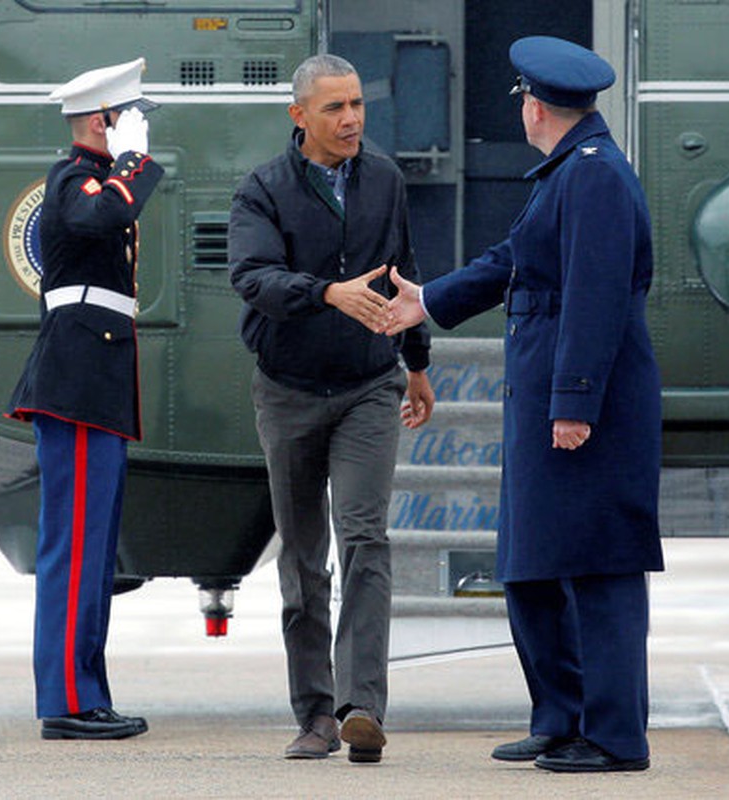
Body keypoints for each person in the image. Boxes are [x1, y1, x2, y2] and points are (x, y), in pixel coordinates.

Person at [386, 36, 661, 773]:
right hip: (544, 397)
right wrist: (429, 302)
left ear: (534, 106)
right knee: (533, 563)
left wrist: (573, 403)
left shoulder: (595, 177)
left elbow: (596, 299)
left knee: (598, 565)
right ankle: (560, 716)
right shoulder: (567, 172)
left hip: (580, 406)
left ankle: (612, 735)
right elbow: (513, 259)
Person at [228, 53, 434, 764]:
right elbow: (251, 277)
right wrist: (326, 292)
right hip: (286, 390)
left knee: (365, 540)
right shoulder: (263, 190)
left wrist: (417, 364)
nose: (350, 120)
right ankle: (314, 713)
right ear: (299, 116)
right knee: (303, 561)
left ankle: (362, 709)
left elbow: (406, 270)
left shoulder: (383, 178)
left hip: (367, 387)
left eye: (356, 105)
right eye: (334, 109)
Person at [6, 58, 164, 740]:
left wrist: (128, 164)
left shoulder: (98, 181)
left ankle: (86, 692)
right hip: (75, 383)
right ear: (104, 120)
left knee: (94, 548)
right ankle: (65, 700)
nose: (140, 128)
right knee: (72, 548)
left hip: (94, 384)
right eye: (129, 116)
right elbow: (98, 217)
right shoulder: (74, 178)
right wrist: (132, 161)